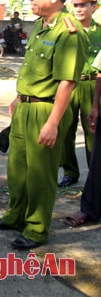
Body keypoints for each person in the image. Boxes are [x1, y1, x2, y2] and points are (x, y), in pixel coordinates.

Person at [0, 0, 89, 250]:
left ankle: (36, 227)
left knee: (40, 174)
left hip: (46, 110)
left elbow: (67, 83)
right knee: (17, 168)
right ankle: (15, 215)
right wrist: (19, 97)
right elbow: (34, 70)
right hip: (25, 108)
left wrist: (54, 123)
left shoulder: (68, 32)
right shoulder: (41, 27)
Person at [58, 0, 101, 187]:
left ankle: (94, 176)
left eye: (83, 5)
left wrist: (96, 101)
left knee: (93, 131)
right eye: (75, 5)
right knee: (65, 129)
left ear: (95, 6)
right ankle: (70, 171)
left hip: (92, 85)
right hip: (69, 84)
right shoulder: (66, 29)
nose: (78, 9)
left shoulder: (99, 33)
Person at [64, 49, 101, 227]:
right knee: (97, 158)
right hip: (76, 83)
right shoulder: (69, 29)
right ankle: (90, 207)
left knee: (92, 142)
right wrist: (95, 105)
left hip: (90, 84)